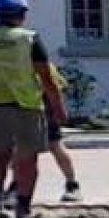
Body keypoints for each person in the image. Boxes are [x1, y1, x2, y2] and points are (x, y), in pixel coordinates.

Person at [0, 0, 66, 218]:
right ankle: (23, 206)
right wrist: (58, 107)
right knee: (27, 157)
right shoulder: (29, 38)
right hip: (27, 104)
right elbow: (46, 78)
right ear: (22, 13)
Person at [44, 60, 81, 200]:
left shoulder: (42, 63)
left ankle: (72, 184)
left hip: (43, 108)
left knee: (55, 145)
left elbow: (55, 86)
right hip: (23, 108)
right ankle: (16, 185)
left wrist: (58, 109)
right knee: (21, 149)